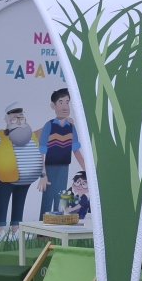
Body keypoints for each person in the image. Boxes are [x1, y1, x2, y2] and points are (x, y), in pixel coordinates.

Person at [0, 102, 44, 240]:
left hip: (24, 178)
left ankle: (16, 230)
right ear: (7, 120)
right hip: (4, 177)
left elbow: (37, 152)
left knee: (19, 202)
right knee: (2, 203)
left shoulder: (30, 136)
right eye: (14, 118)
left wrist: (39, 171)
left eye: (21, 118)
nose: (18, 121)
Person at [38, 88, 85, 217]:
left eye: (67, 102)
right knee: (47, 198)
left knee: (61, 197)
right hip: (50, 168)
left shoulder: (71, 127)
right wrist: (43, 175)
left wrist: (87, 170)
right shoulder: (49, 126)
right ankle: (43, 233)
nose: (65, 107)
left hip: (64, 167)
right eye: (61, 102)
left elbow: (76, 150)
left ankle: (58, 228)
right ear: (53, 106)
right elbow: (41, 152)